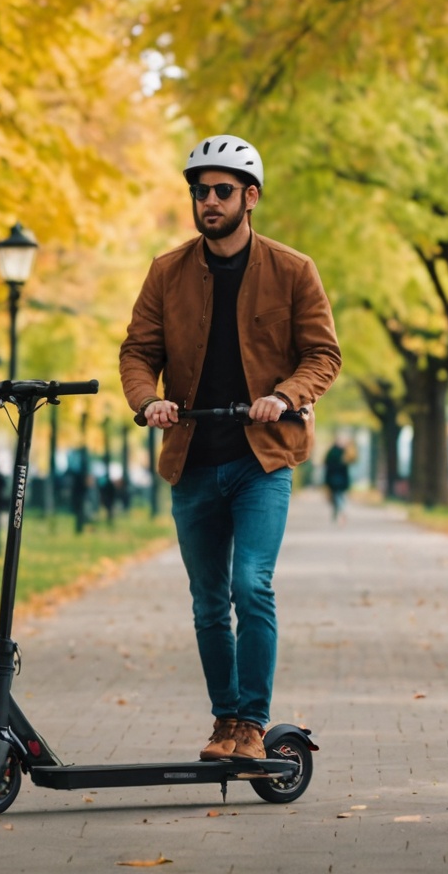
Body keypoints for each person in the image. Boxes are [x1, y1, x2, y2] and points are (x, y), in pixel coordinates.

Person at [121, 134, 342, 764]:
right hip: (192, 457)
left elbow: (323, 354)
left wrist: (288, 393)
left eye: (221, 190)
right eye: (200, 191)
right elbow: (138, 352)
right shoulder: (168, 271)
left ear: (250, 197)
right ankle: (225, 723)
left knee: (252, 585)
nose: (208, 201)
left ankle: (252, 721)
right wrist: (147, 402)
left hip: (261, 459)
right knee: (209, 602)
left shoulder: (293, 270)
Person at [322, 439, 354, 524]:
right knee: (340, 495)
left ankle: (338, 511)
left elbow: (326, 466)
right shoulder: (344, 453)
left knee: (335, 497)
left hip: (332, 478)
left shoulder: (330, 453)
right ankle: (342, 510)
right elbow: (347, 466)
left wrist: (327, 480)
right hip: (342, 479)